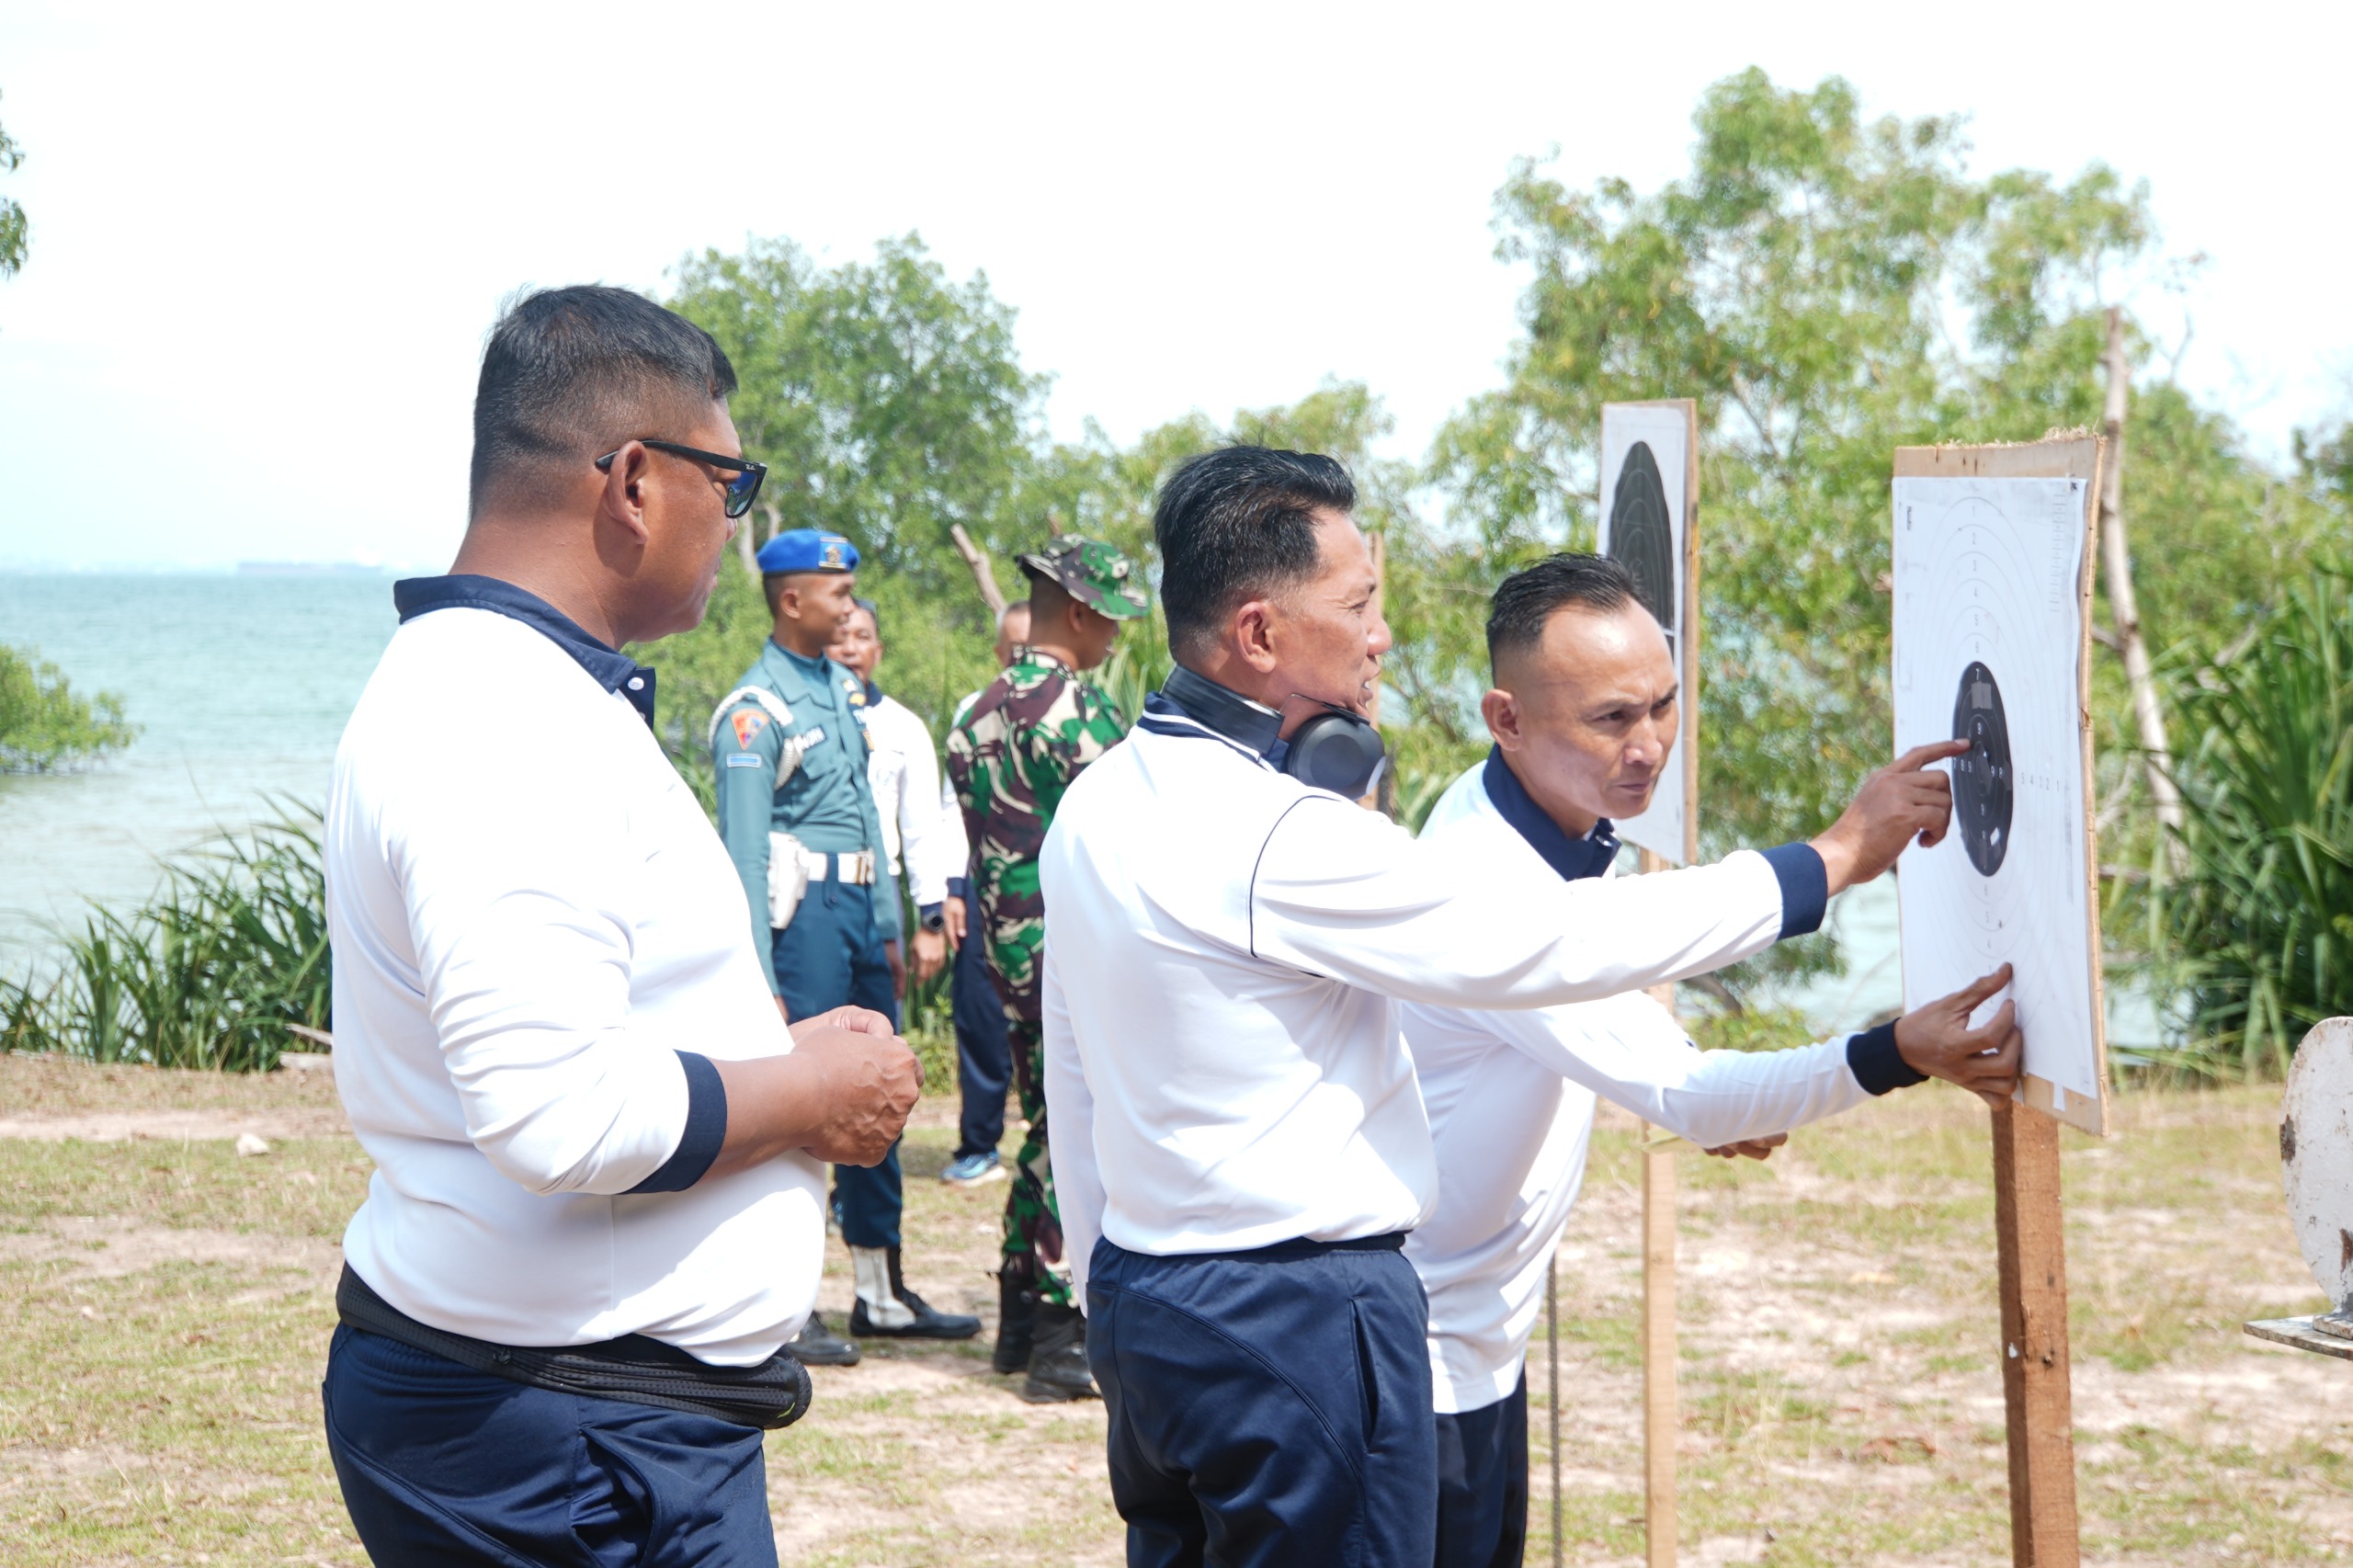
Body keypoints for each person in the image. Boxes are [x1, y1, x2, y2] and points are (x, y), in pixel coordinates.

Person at [1040, 446, 1962, 1568]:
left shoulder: (1097, 798)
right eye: (1359, 604)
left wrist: (1108, 1291)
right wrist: (1825, 859)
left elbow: (1073, 1073)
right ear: (1260, 634)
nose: (1379, 636)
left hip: (1155, 1301)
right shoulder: (1281, 833)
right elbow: (1542, 938)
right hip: (1298, 1317)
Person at [321, 284, 921, 1566]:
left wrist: (772, 1058)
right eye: (732, 479)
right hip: (572, 1439)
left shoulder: (502, 687)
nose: (733, 519)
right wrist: (810, 1089)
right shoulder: (504, 719)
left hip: (581, 1409)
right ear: (638, 482)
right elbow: (559, 1111)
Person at [1400, 553, 2021, 1568]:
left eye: (1663, 704)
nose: (1646, 745)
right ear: (1504, 718)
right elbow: (1695, 1099)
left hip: (1468, 1340)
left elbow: (1620, 1019)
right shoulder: (1485, 880)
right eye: (1609, 720)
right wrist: (1895, 1048)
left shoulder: (1529, 817)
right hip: (1421, 1364)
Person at [713, 531, 982, 1358]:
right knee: (799, 1111)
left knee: (877, 1097)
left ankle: (881, 1291)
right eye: (836, 591)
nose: (849, 604)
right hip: (805, 918)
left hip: (862, 909)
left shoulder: (845, 693)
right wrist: (757, 973)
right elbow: (745, 857)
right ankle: (786, 1306)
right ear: (792, 600)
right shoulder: (756, 712)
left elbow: (873, 816)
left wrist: (895, 926)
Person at [946, 538, 1146, 1402]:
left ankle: (1020, 1319)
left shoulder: (974, 711)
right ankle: (1064, 1334)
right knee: (1083, 1133)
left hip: (1003, 951)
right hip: (1074, 953)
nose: (1114, 636)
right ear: (1077, 611)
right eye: (1109, 617)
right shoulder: (1084, 716)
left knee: (1040, 1128)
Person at [828, 597, 961, 1006]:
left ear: (878, 651)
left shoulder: (905, 727)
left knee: (880, 1025)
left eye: (862, 637)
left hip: (877, 896)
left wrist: (932, 921)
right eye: (839, 637)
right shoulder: (791, 719)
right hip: (806, 893)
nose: (850, 649)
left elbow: (921, 829)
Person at [939, 599, 1029, 1189]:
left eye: (1031, 647)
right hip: (981, 884)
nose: (1020, 658)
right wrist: (951, 891)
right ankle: (980, 1144)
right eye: (1013, 648)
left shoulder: (1081, 712)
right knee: (979, 1015)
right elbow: (953, 810)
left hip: (1049, 889)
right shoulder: (976, 712)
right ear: (997, 652)